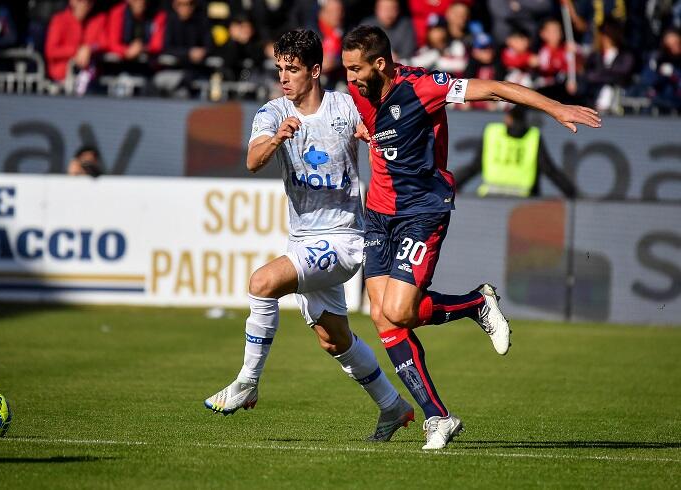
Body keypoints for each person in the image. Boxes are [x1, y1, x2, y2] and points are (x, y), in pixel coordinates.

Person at [341, 25, 600, 449]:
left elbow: (496, 88)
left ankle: (476, 303)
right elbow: (367, 125)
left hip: (421, 212)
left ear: (380, 64)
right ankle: (437, 417)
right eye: (346, 69)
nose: (350, 78)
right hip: (378, 215)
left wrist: (555, 108)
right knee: (382, 316)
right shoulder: (357, 92)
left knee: (400, 311)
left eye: (355, 69)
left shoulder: (424, 85)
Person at [204, 29, 414, 443]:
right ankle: (393, 407)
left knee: (262, 283)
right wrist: (277, 137)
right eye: (280, 68)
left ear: (315, 71)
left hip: (345, 237)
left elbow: (382, 130)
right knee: (333, 340)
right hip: (303, 238)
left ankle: (247, 382)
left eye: (293, 70)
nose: (284, 78)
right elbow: (251, 160)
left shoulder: (345, 106)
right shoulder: (271, 113)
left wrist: (371, 135)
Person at [454, 105, 577, 198]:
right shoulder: (532, 137)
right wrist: (571, 193)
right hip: (522, 202)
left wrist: (453, 185)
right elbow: (549, 170)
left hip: (490, 199)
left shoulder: (492, 132)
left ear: (508, 118)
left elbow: (475, 166)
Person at [44, 0, 107, 88]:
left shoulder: (97, 20)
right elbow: (51, 50)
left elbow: (103, 43)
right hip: (61, 80)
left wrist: (89, 48)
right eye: (80, 1)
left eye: (88, 2)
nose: (84, 5)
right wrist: (76, 51)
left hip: (89, 80)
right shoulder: (59, 20)